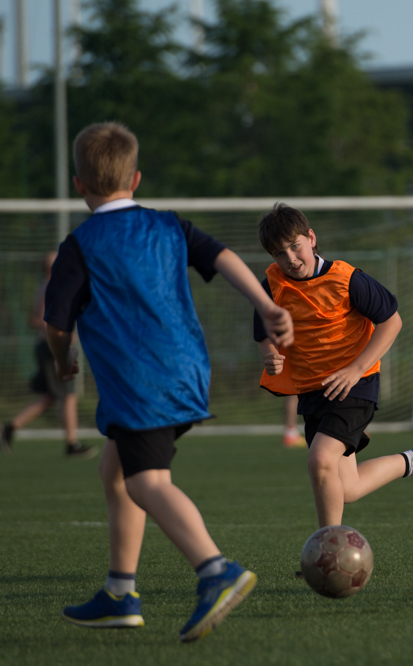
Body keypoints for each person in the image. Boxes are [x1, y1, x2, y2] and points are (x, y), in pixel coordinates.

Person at [48, 122, 294, 642]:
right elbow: (221, 256)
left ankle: (215, 570)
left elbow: (56, 324)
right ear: (135, 179)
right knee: (115, 471)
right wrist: (266, 304)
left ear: (78, 185)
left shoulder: (79, 246)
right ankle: (119, 593)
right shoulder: (168, 225)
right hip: (186, 370)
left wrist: (62, 357)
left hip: (140, 385)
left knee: (147, 482)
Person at [253, 204, 413, 532]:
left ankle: (327, 547)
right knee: (346, 489)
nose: (291, 259)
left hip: (355, 385)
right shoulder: (271, 286)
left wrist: (356, 369)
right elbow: (263, 334)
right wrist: (270, 355)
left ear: (311, 238)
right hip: (313, 392)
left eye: (295, 246)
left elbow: (392, 322)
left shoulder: (347, 278)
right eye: (279, 254)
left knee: (320, 460)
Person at [2, 252, 94, 458]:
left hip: (46, 347)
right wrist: (60, 337)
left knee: (49, 398)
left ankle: (9, 428)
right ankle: (71, 443)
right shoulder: (52, 286)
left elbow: (34, 319)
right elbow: (43, 320)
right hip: (53, 349)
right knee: (69, 396)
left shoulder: (44, 286)